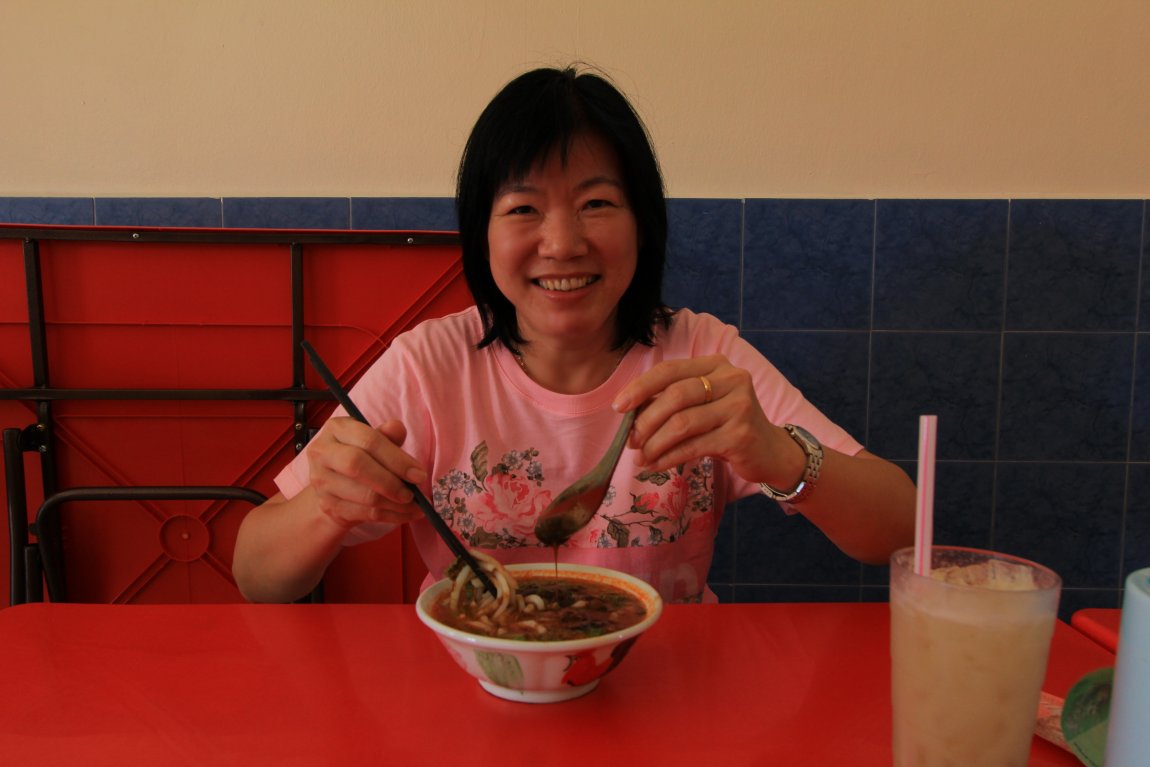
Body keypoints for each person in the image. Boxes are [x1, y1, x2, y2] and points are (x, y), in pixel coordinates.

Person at [232, 65, 916, 604]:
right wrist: (330, 503)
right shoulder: (428, 366)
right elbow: (258, 574)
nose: (561, 243)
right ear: (482, 235)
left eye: (596, 204)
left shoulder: (701, 356)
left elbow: (905, 528)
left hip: (666, 684)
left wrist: (779, 454)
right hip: (476, 691)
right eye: (524, 208)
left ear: (642, 224)